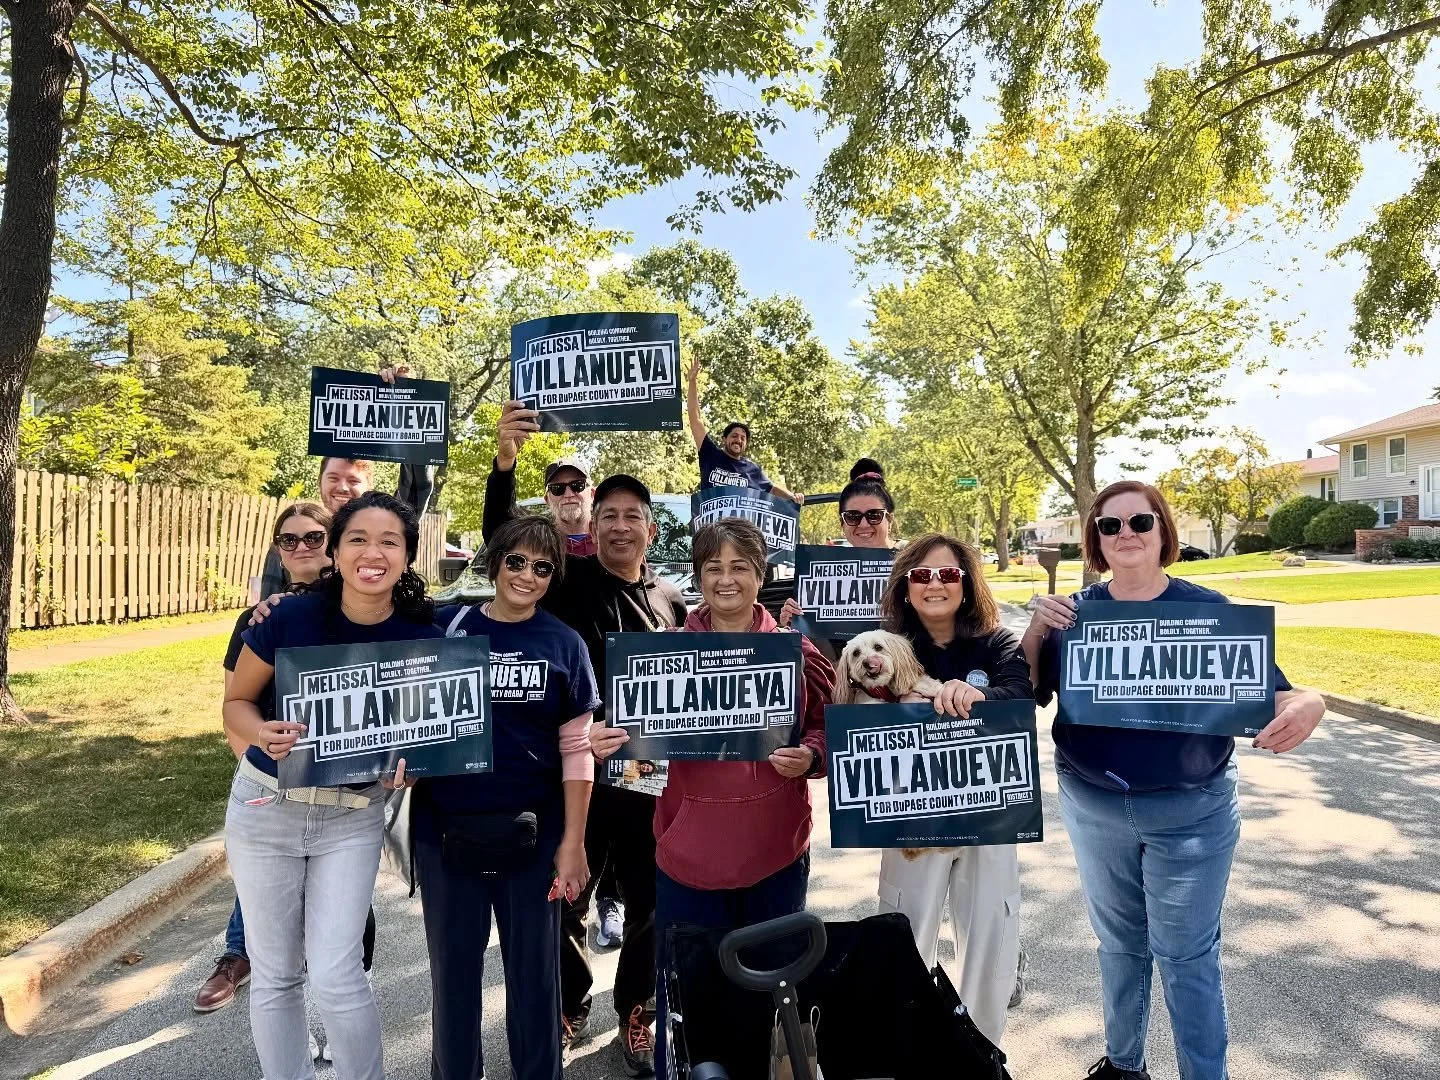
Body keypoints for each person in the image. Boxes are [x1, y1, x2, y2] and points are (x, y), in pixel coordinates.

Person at [1020, 480, 1327, 1080]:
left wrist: (1309, 702)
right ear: (1095, 542)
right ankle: (1123, 1066)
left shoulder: (1207, 610)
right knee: (1118, 948)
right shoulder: (1073, 615)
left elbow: (1274, 692)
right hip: (1093, 804)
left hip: (1192, 813)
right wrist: (1036, 629)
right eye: (1111, 526)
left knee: (1186, 957)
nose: (1126, 535)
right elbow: (1028, 694)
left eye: (1139, 522)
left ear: (1163, 532)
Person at [591, 518, 835, 1079]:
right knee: (687, 998)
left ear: (761, 574)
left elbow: (825, 726)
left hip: (776, 859)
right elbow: (635, 762)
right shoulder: (661, 656)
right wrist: (611, 744)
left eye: (740, 568)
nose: (727, 580)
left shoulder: (796, 652)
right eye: (713, 568)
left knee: (768, 996)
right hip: (687, 862)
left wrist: (812, 755)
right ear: (698, 577)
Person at [482, 416, 687, 1077]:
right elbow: (500, 541)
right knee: (565, 896)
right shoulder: (568, 578)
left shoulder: (669, 598)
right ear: (591, 527)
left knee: (651, 903)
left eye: (633, 516)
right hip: (573, 777)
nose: (621, 526)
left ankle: (638, 1011)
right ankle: (569, 1005)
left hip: (649, 778)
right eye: (609, 516)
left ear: (651, 529)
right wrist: (505, 465)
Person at [223, 492, 439, 1080]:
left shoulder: (425, 632)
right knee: (275, 972)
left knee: (337, 971)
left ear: (408, 555)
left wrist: (414, 765)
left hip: (354, 814)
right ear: (336, 552)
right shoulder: (286, 619)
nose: (374, 552)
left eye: (390, 541)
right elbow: (236, 703)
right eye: (358, 539)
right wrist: (263, 733)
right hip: (267, 805)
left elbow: (431, 736)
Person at [416, 514, 600, 1080]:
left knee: (535, 980)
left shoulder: (564, 644)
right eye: (515, 561)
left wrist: (573, 843)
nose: (526, 575)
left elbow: (577, 750)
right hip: (445, 833)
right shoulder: (445, 627)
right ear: (494, 561)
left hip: (534, 835)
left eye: (542, 568)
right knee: (453, 979)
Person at [871, 532, 1033, 1049]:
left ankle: (984, 1051)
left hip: (988, 813)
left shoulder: (996, 641)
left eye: (948, 574)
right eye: (921, 575)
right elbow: (852, 705)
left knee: (990, 936)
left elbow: (1021, 693)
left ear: (967, 582)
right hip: (911, 813)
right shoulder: (885, 649)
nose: (935, 584)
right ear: (905, 587)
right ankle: (910, 1049)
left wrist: (978, 693)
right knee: (906, 931)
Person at [195, 502, 332, 1030]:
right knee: (264, 885)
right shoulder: (262, 615)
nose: (302, 548)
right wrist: (251, 764)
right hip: (271, 775)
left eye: (314, 538)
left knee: (335, 910)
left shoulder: (358, 604)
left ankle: (334, 996)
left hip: (343, 782)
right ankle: (240, 954)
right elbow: (235, 698)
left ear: (332, 542)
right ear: (278, 549)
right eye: (290, 540)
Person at [685, 360, 802, 502]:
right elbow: (695, 419)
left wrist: (793, 497)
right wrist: (692, 381)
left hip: (739, 524)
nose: (738, 440)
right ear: (724, 439)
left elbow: (772, 489)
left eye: (743, 438)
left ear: (745, 444)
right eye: (734, 435)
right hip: (712, 523)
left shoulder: (752, 470)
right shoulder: (710, 455)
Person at [483, 426, 597, 557]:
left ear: (593, 494)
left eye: (578, 485)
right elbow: (497, 530)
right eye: (557, 488)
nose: (569, 494)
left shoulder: (613, 540)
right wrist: (505, 459)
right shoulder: (536, 544)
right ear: (547, 499)